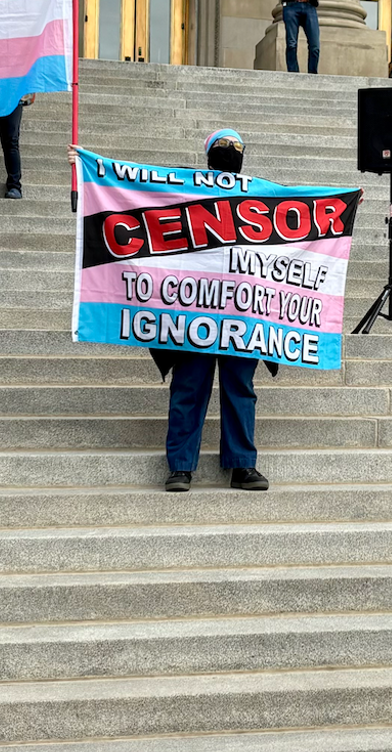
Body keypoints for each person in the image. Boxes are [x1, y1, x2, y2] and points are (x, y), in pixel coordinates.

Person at [67, 130, 273, 493]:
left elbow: (309, 213)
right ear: (209, 155)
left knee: (240, 388)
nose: (231, 152)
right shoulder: (183, 189)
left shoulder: (259, 193)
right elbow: (131, 182)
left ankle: (243, 465)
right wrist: (88, 164)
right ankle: (180, 466)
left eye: (236, 147)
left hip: (242, 313)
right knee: (189, 388)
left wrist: (345, 204)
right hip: (194, 314)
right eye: (225, 147)